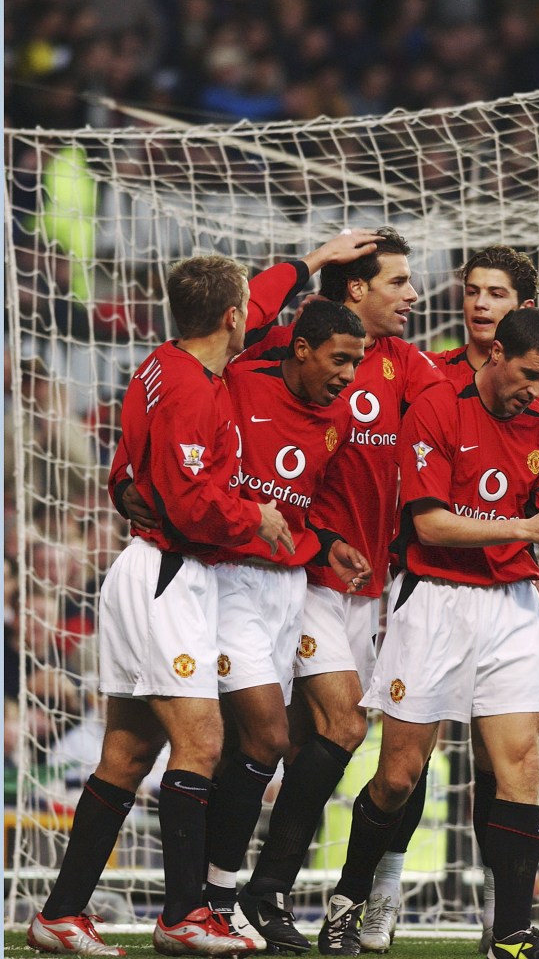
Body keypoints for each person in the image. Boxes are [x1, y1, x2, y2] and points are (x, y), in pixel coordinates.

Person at [28, 254, 294, 957]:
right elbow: (188, 502)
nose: (252, 317)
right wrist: (255, 517)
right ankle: (184, 915)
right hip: (169, 574)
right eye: (246, 307)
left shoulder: (161, 362)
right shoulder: (191, 390)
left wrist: (304, 265)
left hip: (153, 569)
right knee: (202, 740)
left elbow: (130, 477)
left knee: (126, 752)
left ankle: (60, 914)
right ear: (231, 315)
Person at [316, 307, 539, 959]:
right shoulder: (436, 407)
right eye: (530, 374)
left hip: (508, 607)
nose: (536, 388)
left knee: (520, 766)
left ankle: (510, 937)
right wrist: (526, 531)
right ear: (495, 353)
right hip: (434, 601)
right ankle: (347, 898)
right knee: (397, 777)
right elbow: (431, 526)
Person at [231, 228, 444, 953]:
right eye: (398, 282)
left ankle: (243, 893)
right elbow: (236, 329)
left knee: (300, 740)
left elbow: (461, 412)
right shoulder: (301, 349)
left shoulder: (409, 367)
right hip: (298, 576)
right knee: (336, 729)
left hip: (367, 585)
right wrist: (311, 260)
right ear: (355, 290)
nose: (411, 295)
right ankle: (254, 891)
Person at [425, 245, 539, 955]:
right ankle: (372, 902)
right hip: (421, 590)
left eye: (494, 292)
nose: (478, 304)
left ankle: (505, 927)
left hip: (504, 602)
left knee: (507, 761)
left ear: (521, 310)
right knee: (403, 759)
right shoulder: (422, 376)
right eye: (471, 290)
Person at [200, 299, 374, 934]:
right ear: (301, 349)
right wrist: (314, 260)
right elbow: (231, 315)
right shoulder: (243, 378)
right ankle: (215, 900)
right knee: (264, 737)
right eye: (339, 359)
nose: (349, 375)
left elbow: (307, 507)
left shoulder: (335, 421)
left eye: (357, 362)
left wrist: (329, 544)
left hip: (290, 587)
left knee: (251, 746)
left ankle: (215, 900)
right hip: (227, 577)